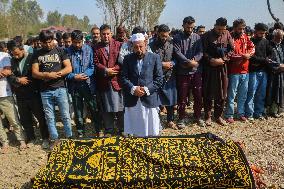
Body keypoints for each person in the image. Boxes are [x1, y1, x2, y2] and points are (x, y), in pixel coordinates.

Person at [32, 30, 73, 147]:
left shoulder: (60, 50)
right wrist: (46, 75)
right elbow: (34, 73)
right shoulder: (37, 54)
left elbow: (69, 68)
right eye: (45, 43)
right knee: (50, 117)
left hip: (60, 88)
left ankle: (69, 137)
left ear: (53, 40)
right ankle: (55, 139)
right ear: (41, 42)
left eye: (50, 42)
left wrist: (57, 74)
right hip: (45, 91)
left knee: (65, 115)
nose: (48, 45)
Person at [7, 40, 49, 148]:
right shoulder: (12, 61)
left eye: (17, 54)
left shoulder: (32, 57)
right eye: (13, 54)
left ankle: (45, 138)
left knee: (41, 117)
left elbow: (37, 73)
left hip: (34, 93)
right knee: (25, 119)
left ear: (22, 49)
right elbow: (10, 76)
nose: (16, 56)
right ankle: (31, 138)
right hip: (20, 94)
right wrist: (18, 80)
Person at [121, 33, 163, 137]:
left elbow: (159, 79)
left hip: (149, 99)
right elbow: (123, 78)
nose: (139, 50)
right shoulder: (127, 59)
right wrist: (133, 88)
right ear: (132, 47)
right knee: (134, 131)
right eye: (136, 47)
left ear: (145, 44)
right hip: (132, 99)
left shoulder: (155, 57)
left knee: (152, 132)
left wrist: (146, 90)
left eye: (141, 46)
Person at [66, 30, 100, 137]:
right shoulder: (67, 52)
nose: (77, 45)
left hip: (88, 84)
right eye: (75, 42)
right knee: (78, 110)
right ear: (71, 41)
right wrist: (74, 76)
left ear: (82, 40)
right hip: (74, 85)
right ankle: (80, 132)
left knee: (93, 108)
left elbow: (92, 66)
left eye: (79, 42)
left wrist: (85, 74)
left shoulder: (88, 49)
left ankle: (98, 129)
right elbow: (65, 70)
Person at [202, 17, 234, 126]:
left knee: (222, 93)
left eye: (223, 29)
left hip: (222, 67)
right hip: (209, 67)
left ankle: (218, 116)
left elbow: (231, 49)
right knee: (208, 92)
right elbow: (203, 51)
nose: (221, 31)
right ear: (215, 25)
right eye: (219, 29)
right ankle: (208, 116)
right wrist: (211, 60)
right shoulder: (207, 35)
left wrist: (223, 59)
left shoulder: (227, 34)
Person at [173, 16, 205, 128]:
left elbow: (201, 51)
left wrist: (195, 60)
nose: (190, 30)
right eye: (188, 27)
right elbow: (177, 52)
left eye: (192, 27)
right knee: (182, 97)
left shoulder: (197, 37)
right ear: (183, 26)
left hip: (196, 71)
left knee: (198, 95)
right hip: (183, 72)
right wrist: (188, 62)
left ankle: (197, 116)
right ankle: (181, 118)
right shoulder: (177, 38)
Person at [94, 24, 124, 135]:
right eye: (103, 34)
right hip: (104, 81)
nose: (106, 36)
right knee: (106, 107)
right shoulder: (96, 47)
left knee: (120, 106)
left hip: (117, 80)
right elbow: (96, 63)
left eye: (108, 34)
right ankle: (109, 129)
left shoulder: (119, 45)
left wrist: (114, 69)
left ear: (111, 34)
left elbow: (122, 61)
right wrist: (106, 70)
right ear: (100, 35)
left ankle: (122, 129)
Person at [224, 19, 255, 124]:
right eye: (239, 28)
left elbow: (252, 48)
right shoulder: (230, 37)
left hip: (245, 71)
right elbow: (229, 54)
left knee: (243, 94)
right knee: (232, 94)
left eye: (243, 28)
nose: (242, 30)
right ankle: (229, 114)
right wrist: (244, 56)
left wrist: (249, 54)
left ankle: (240, 113)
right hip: (234, 71)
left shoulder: (245, 37)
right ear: (234, 28)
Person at [149, 24, 178, 129]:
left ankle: (170, 120)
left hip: (169, 76)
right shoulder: (151, 45)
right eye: (162, 36)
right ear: (157, 34)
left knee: (170, 99)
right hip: (156, 77)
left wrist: (171, 64)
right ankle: (157, 122)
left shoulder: (172, 43)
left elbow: (176, 58)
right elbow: (149, 60)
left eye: (166, 36)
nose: (164, 38)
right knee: (156, 100)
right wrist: (162, 64)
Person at [0, 47, 27, 153]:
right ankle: (4, 142)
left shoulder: (4, 55)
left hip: (5, 93)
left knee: (13, 119)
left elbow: (7, 71)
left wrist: (4, 71)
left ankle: (21, 140)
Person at [245, 23, 272, 121]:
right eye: (261, 33)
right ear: (255, 31)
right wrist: (264, 60)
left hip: (263, 71)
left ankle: (258, 112)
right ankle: (249, 113)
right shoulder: (250, 41)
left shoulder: (265, 41)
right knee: (251, 92)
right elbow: (251, 56)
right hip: (253, 71)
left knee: (261, 93)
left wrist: (268, 59)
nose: (262, 35)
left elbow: (270, 53)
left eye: (264, 33)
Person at [266, 29, 284, 118]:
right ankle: (271, 110)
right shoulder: (269, 46)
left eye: (281, 38)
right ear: (274, 36)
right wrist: (278, 66)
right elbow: (268, 60)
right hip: (272, 73)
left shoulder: (281, 47)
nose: (280, 40)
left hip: (281, 74)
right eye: (278, 38)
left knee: (280, 91)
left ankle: (277, 109)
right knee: (272, 91)